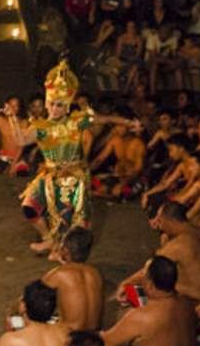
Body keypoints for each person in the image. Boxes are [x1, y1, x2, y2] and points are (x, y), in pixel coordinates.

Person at [20, 61, 139, 255]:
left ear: (66, 107)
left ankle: (63, 251)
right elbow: (20, 141)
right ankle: (49, 239)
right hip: (49, 174)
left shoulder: (76, 121)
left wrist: (128, 122)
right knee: (29, 206)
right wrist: (11, 119)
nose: (54, 108)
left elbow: (105, 119)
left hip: (72, 176)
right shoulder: (41, 125)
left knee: (67, 216)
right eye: (51, 104)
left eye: (59, 105)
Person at [40, 228, 104, 331]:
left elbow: (29, 301)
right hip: (94, 340)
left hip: (71, 341)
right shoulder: (95, 274)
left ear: (65, 251)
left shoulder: (57, 274)